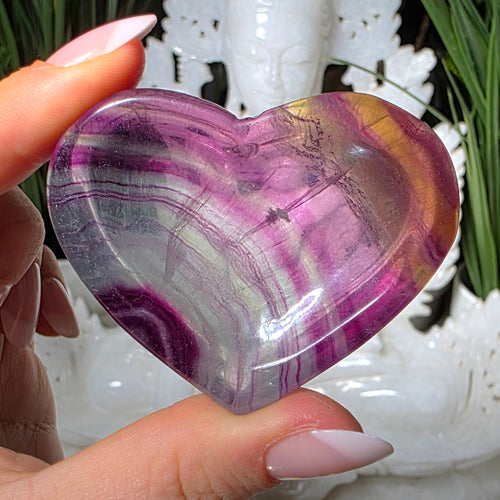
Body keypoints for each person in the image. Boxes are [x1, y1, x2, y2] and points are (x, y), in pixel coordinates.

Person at [0, 15, 392, 498]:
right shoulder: (162, 152)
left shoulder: (351, 174)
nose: (270, 71)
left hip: (273, 348)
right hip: (190, 336)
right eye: (255, 55)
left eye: (295, 59)